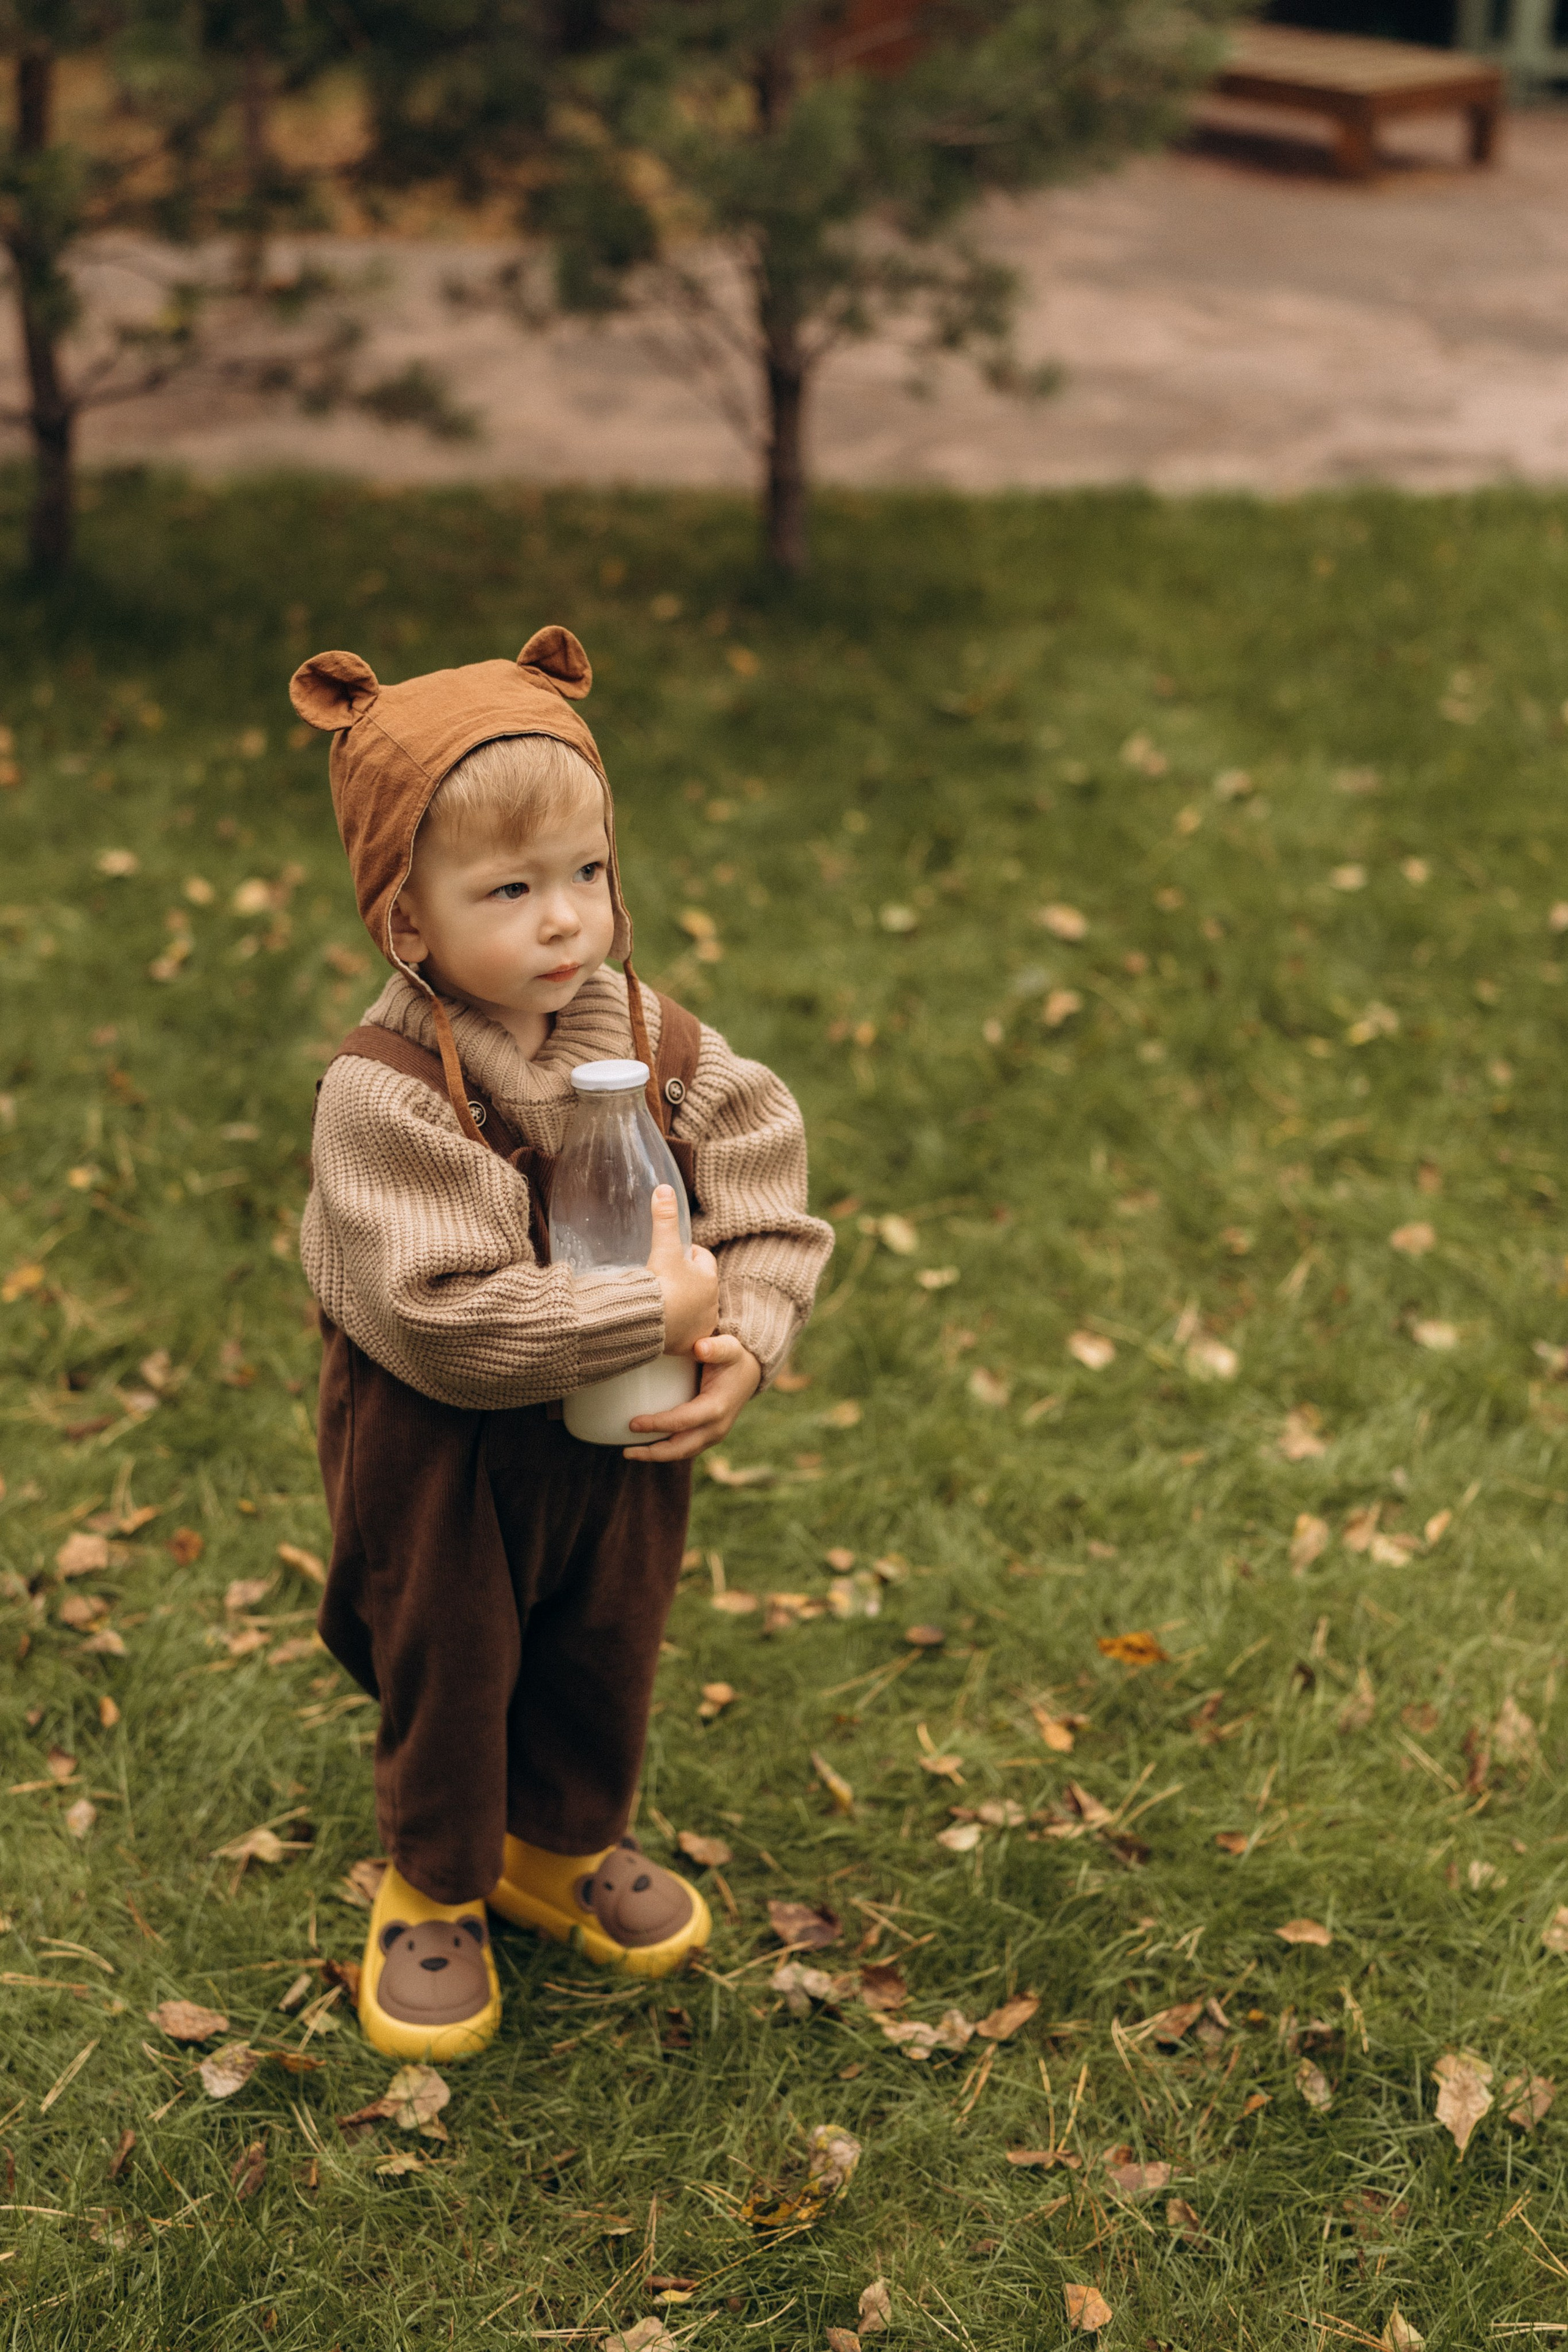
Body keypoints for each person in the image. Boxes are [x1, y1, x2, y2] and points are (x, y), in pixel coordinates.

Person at [288, 625, 833, 2060]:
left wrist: (742, 1339)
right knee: (449, 1649)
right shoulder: (389, 1093)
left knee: (609, 1631)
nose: (564, 922)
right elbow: (439, 1316)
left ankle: (558, 1842)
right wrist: (644, 1309)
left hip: (626, 1423)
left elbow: (764, 1192)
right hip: (442, 1442)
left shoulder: (649, 1039)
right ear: (408, 922)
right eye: (510, 889)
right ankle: (435, 1878)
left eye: (587, 874)